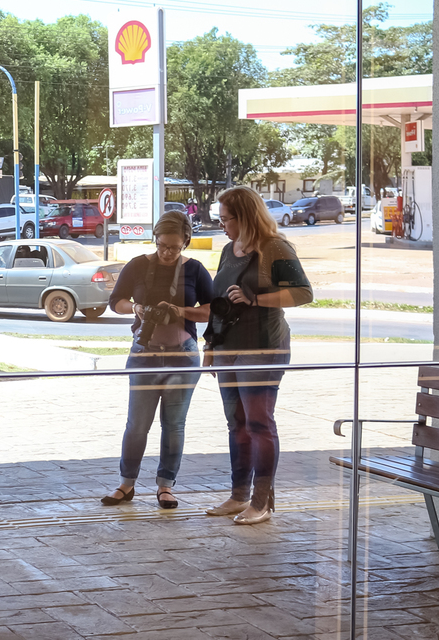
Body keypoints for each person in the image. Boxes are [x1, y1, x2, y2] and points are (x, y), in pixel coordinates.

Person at [204, 186, 312, 525]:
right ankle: (238, 496)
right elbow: (219, 303)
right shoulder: (227, 250)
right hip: (228, 348)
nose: (222, 225)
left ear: (245, 217)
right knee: (236, 424)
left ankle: (261, 501)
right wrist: (210, 344)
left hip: (263, 346)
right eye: (219, 219)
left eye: (226, 219)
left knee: (258, 423)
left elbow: (303, 293)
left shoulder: (274, 248)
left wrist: (256, 298)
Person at [101, 210, 212, 509]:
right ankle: (126, 484)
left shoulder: (196, 270)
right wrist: (138, 309)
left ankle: (166, 486)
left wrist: (181, 312)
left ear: (186, 242)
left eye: (174, 247)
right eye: (162, 245)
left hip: (182, 355)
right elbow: (115, 302)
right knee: (137, 424)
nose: (167, 252)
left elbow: (212, 310)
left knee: (173, 425)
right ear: (155, 239)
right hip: (144, 355)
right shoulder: (138, 265)